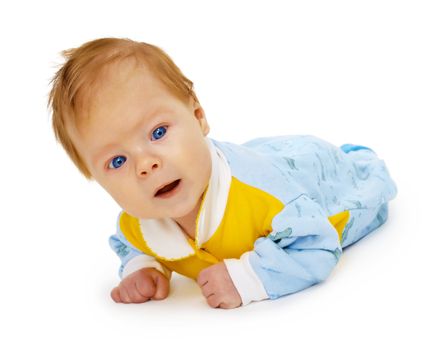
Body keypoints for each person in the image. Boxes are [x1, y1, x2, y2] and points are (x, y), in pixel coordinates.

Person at [48, 37, 397, 309]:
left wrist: (248, 277)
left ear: (198, 116)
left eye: (158, 133)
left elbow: (318, 243)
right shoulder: (137, 224)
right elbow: (128, 243)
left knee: (361, 196)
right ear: (93, 176)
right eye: (118, 161)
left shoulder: (269, 197)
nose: (145, 164)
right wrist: (143, 268)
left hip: (315, 173)